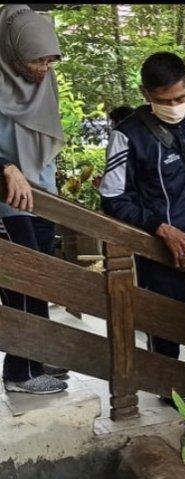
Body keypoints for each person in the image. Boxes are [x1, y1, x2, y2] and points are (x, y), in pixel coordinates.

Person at [99, 51, 185, 375]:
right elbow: (113, 198)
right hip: (159, 257)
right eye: (164, 100)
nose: (174, 106)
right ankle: (172, 394)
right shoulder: (128, 134)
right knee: (166, 339)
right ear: (146, 94)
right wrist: (160, 227)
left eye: (181, 97)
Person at [0, 4, 68, 394]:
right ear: (12, 52)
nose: (43, 67)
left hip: (42, 192)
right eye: (36, 59)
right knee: (21, 280)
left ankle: (37, 356)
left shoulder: (44, 81)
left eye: (50, 59)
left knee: (44, 276)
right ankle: (19, 372)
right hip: (6, 199)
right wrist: (4, 167)